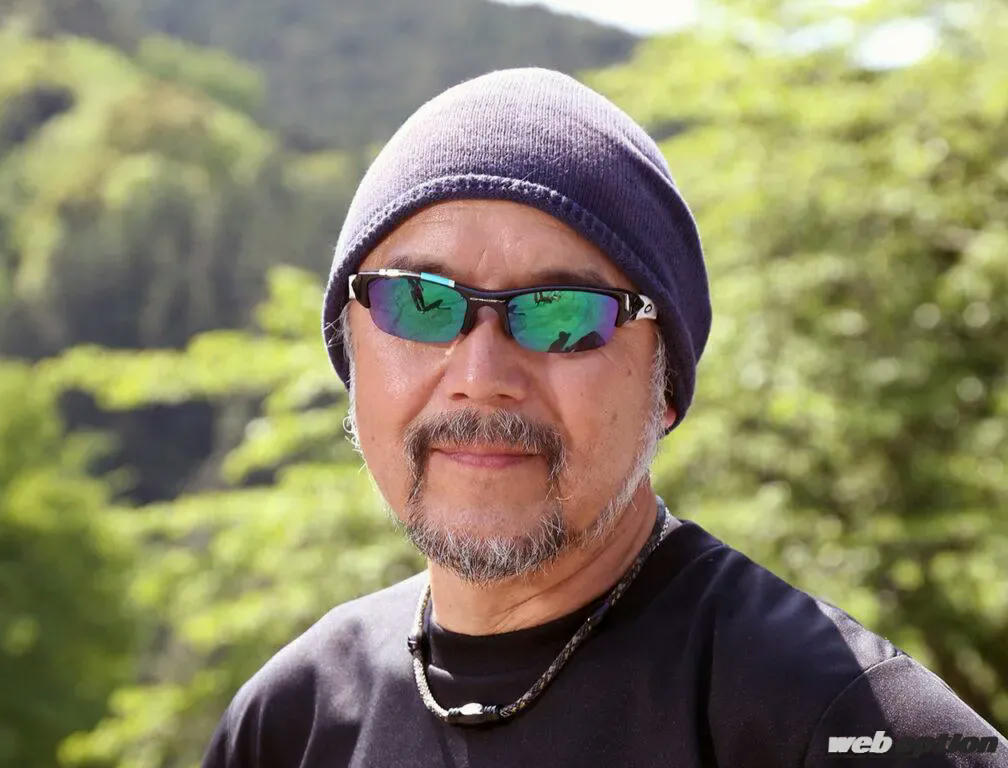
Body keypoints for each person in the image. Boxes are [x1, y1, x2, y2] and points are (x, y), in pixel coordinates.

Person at [201, 68, 1007, 767]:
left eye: (562, 315)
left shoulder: (835, 719)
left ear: (666, 387)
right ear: (351, 356)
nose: (481, 379)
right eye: (419, 302)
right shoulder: (292, 723)